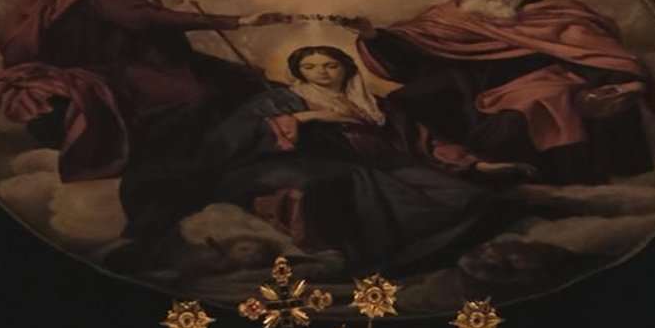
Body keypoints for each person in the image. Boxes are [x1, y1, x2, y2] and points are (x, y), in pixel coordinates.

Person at [0, 0, 288, 232]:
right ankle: (174, 161)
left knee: (243, 80)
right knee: (192, 97)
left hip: (148, 65)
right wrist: (236, 21)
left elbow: (163, 42)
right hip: (114, 68)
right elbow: (142, 21)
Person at [200, 42, 513, 278]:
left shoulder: (371, 104)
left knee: (464, 196)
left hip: (385, 163)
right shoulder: (280, 99)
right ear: (298, 72)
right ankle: (376, 259)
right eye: (310, 67)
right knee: (356, 182)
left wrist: (477, 164)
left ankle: (440, 254)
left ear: (346, 68)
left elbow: (424, 140)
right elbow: (231, 137)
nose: (321, 73)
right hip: (307, 163)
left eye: (330, 65)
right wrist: (304, 117)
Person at [356, 0, 655, 186]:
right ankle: (422, 173)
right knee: (402, 103)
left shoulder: (558, 17)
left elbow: (604, 56)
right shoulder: (450, 15)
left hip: (541, 85)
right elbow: (414, 48)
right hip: (465, 86)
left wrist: (626, 85)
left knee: (518, 121)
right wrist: (373, 36)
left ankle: (514, 183)